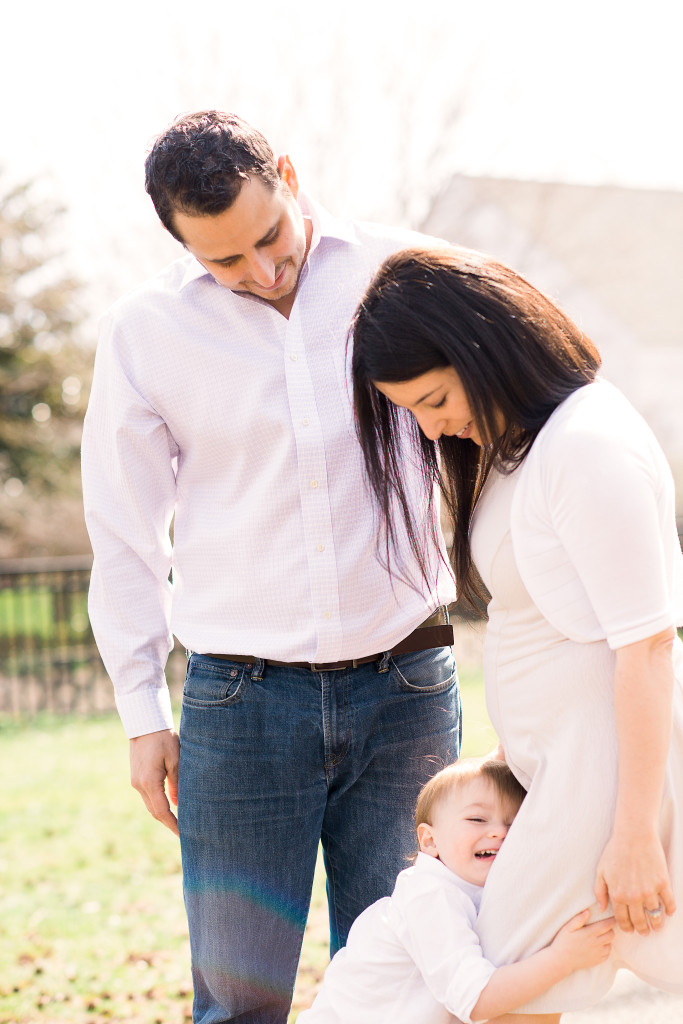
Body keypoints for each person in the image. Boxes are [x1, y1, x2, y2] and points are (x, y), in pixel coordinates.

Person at [81, 113, 460, 1024]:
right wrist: (142, 711)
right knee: (240, 1005)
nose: (259, 271)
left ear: (288, 175)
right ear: (178, 243)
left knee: (404, 991)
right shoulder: (144, 334)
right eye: (223, 262)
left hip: (406, 686)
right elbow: (125, 536)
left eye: (268, 238)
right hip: (241, 709)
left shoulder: (404, 273)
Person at [351, 246, 683, 1022]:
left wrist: (633, 831)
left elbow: (647, 642)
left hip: (598, 773)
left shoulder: (586, 443)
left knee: (504, 980)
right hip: (556, 767)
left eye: (433, 399)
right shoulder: (516, 446)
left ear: (479, 348)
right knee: (526, 978)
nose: (431, 429)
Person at [298, 758, 615, 1024]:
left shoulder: (476, 892)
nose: (499, 832)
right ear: (430, 841)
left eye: (513, 824)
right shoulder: (430, 897)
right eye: (477, 819)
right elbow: (476, 999)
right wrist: (562, 958)